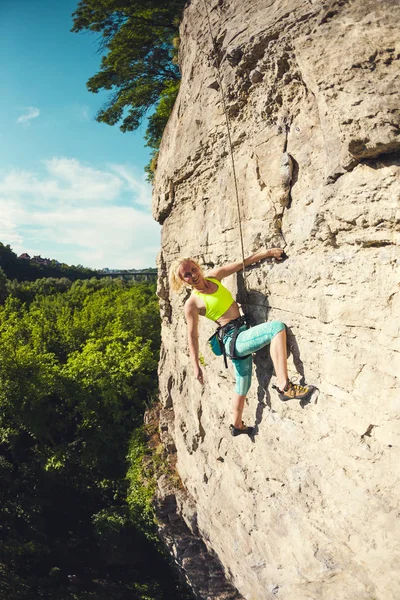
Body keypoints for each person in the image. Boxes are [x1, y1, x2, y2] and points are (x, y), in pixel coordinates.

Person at [169, 248, 312, 436]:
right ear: (182, 281)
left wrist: (268, 253)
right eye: (186, 275)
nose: (193, 275)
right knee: (276, 328)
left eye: (193, 269)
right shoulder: (192, 303)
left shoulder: (214, 277)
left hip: (239, 336)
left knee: (242, 385)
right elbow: (192, 336)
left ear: (198, 267)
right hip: (233, 340)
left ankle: (236, 425)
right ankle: (284, 386)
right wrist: (196, 365)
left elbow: (240, 263)